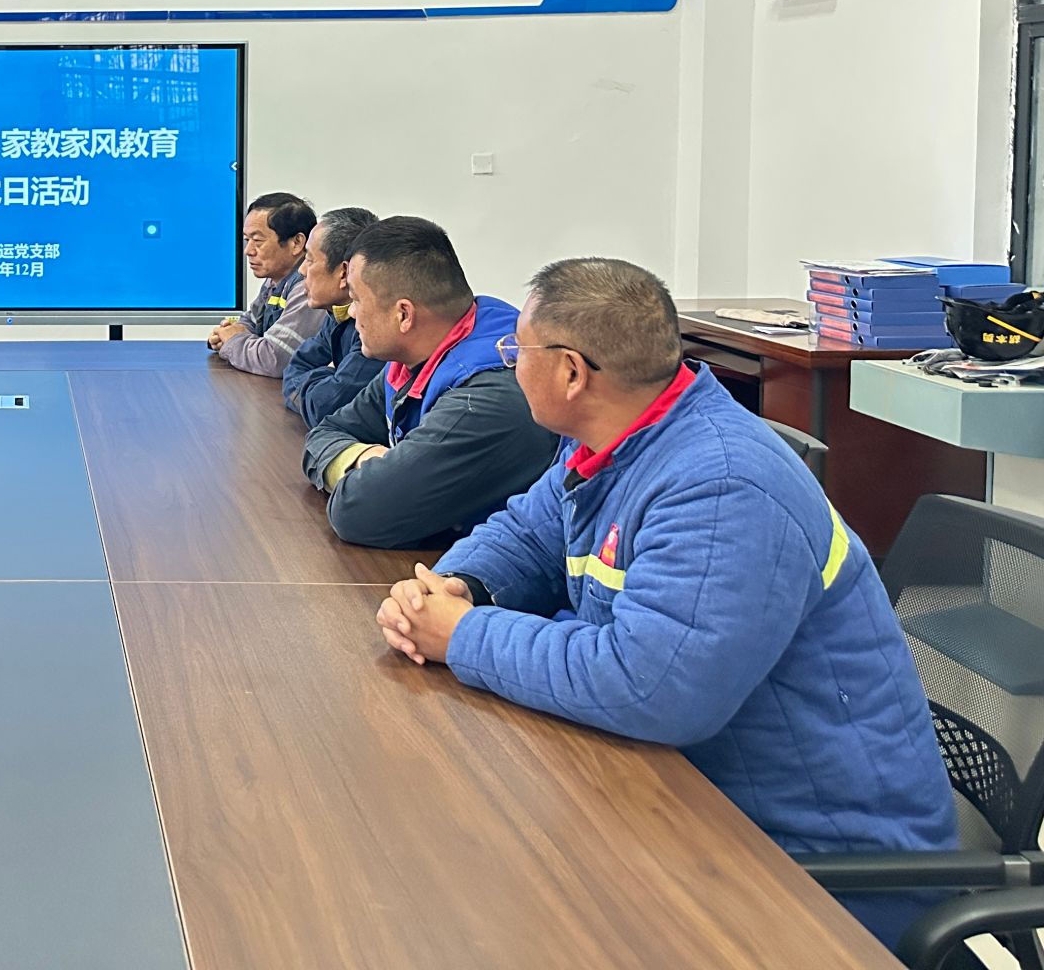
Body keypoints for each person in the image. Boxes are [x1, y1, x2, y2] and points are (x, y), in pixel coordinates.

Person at [375, 257, 956, 951]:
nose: (508, 362)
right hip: (695, 795)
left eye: (517, 350)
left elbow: (652, 687)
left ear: (570, 372)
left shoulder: (722, 485)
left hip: (814, 867)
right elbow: (530, 529)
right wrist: (454, 587)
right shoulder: (614, 438)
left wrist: (463, 635)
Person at [302, 216, 551, 548]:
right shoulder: (410, 361)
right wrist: (364, 459)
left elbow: (359, 512)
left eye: (357, 300)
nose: (352, 313)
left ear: (404, 315)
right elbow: (326, 431)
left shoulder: (486, 399)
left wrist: (369, 474)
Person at [281, 206, 387, 427]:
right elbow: (294, 369)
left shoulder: (374, 329)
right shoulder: (337, 313)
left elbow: (325, 407)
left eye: (310, 260)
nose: (301, 270)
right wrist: (328, 374)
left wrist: (322, 377)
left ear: (343, 273)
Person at [208, 192, 326, 378]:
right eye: (247, 240)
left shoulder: (308, 287)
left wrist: (232, 340)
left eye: (257, 241)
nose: (248, 251)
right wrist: (228, 333)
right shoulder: (275, 280)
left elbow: (273, 359)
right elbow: (250, 323)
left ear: (297, 243)